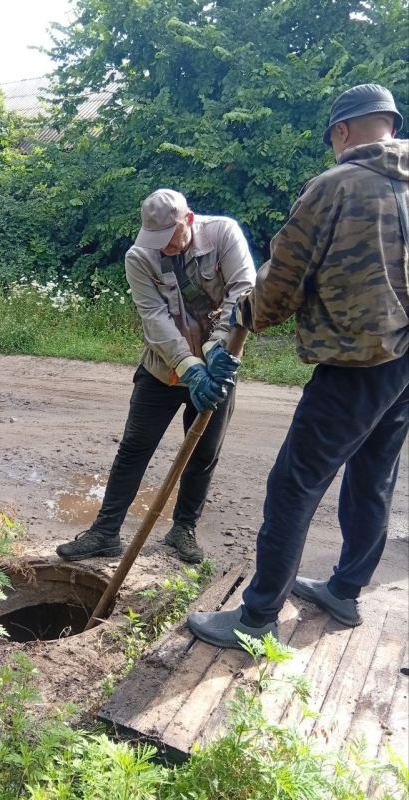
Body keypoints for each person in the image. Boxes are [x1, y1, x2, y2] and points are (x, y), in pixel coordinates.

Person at [188, 83, 408, 648]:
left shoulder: (335, 186)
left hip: (357, 361)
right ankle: (345, 590)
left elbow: (279, 286)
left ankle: (256, 619)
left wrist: (246, 310)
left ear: (342, 132)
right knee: (372, 477)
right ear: (390, 123)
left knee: (294, 485)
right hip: (404, 365)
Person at [57, 189, 256, 563]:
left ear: (189, 221)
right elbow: (155, 318)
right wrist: (188, 366)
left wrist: (215, 351)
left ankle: (183, 530)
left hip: (221, 364)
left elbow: (242, 293)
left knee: (203, 452)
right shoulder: (139, 256)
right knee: (134, 448)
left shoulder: (224, 234)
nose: (163, 247)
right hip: (162, 367)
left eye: (170, 238)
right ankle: (105, 532)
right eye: (156, 240)